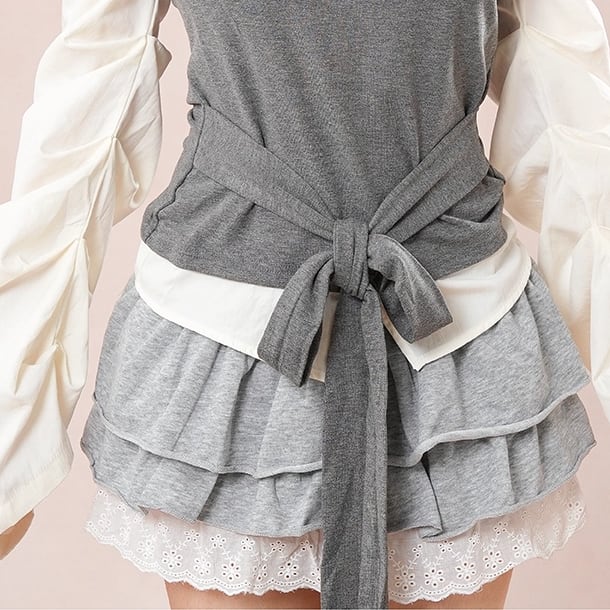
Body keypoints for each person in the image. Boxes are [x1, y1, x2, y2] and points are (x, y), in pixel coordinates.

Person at [1, 0, 609, 608]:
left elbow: (573, 119)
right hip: (227, 345)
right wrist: (11, 436)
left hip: (455, 350)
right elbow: (86, 116)